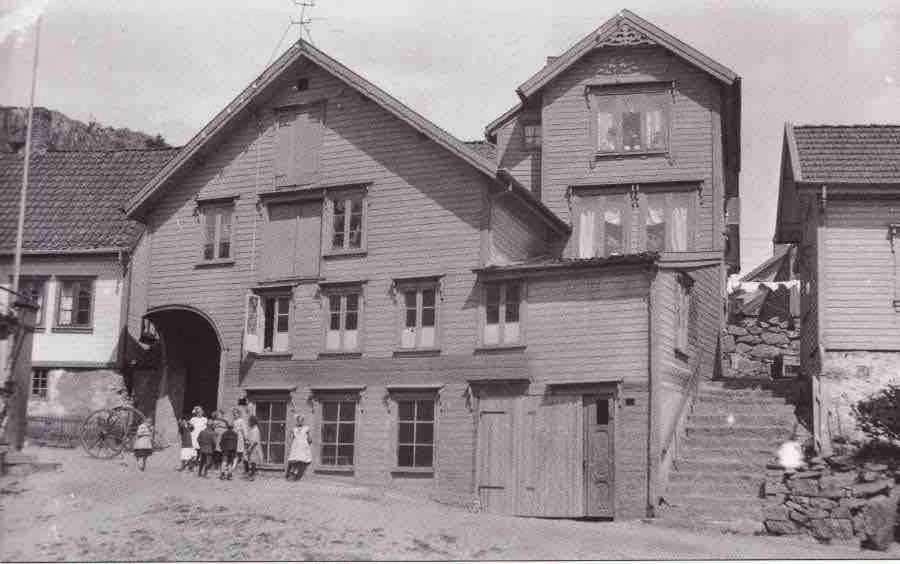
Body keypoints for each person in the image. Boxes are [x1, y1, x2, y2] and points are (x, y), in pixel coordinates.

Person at [286, 414, 312, 481]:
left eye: (301, 421)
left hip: (303, 446)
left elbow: (310, 439)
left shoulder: (306, 428)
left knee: (299, 461)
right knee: (294, 460)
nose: (300, 422)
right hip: (296, 446)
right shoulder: (294, 429)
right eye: (298, 421)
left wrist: (308, 440)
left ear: (303, 421)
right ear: (297, 421)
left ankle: (294, 475)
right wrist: (290, 445)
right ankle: (291, 474)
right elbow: (291, 438)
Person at [244, 415, 263, 480]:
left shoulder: (255, 429)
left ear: (253, 422)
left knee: (253, 461)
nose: (248, 423)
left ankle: (252, 475)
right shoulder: (252, 429)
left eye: (249, 422)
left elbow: (255, 441)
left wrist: (250, 448)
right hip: (251, 446)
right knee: (248, 460)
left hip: (254, 447)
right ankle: (249, 474)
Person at [231, 407, 248, 476]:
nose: (234, 415)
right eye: (233, 414)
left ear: (239, 414)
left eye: (236, 413)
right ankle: (233, 467)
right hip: (235, 438)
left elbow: (244, 430)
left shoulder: (241, 421)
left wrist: (246, 439)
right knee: (236, 453)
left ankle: (247, 469)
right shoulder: (234, 421)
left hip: (240, 438)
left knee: (243, 453)